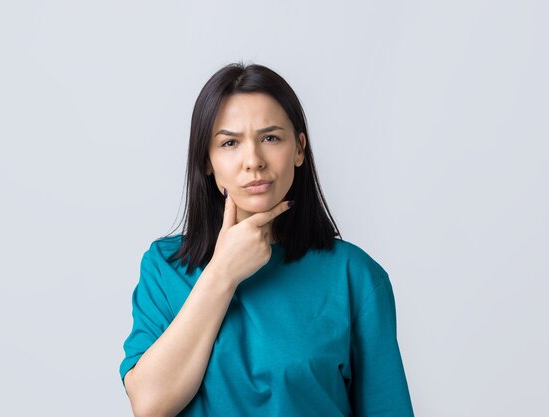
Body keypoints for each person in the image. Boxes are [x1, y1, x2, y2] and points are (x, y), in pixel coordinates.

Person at [119, 62, 415, 417]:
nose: (253, 161)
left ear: (300, 149)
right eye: (230, 143)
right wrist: (222, 274)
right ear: (207, 161)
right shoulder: (165, 268)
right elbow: (150, 406)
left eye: (270, 138)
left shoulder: (354, 276)